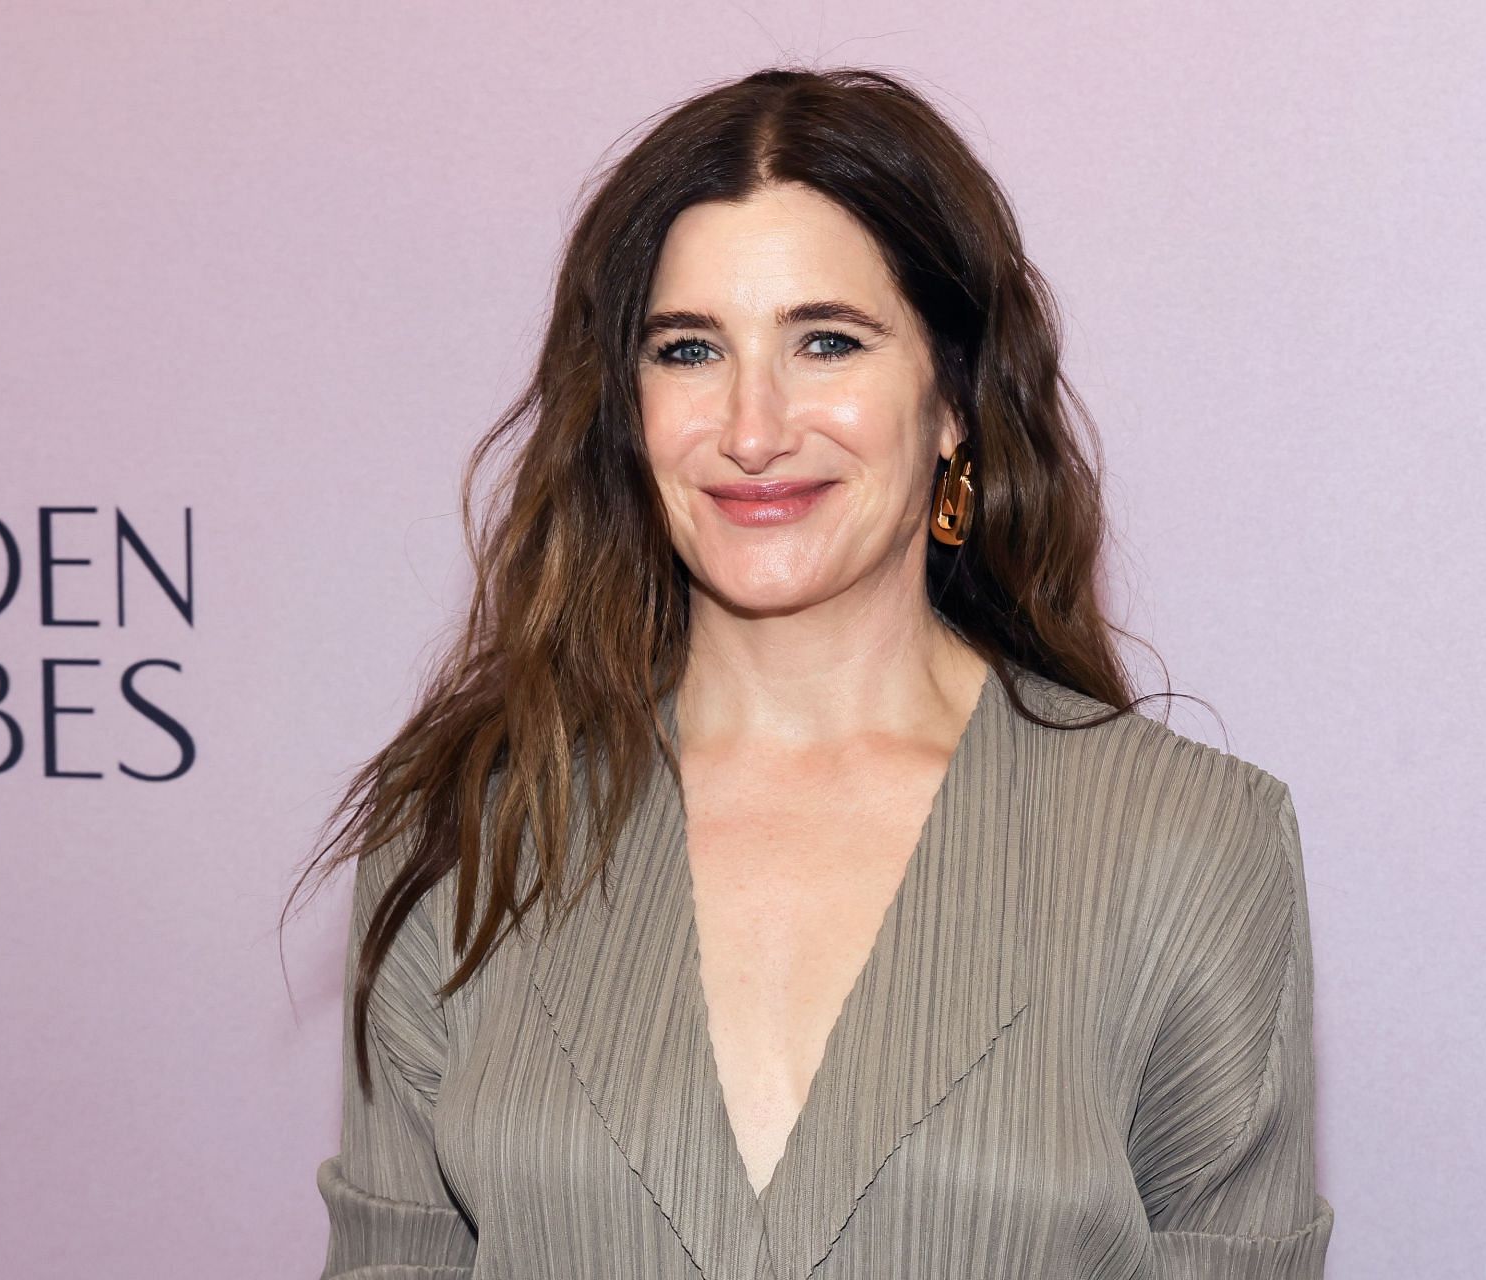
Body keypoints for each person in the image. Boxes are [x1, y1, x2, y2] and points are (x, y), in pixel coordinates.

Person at [294, 64, 1333, 1280]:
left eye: (826, 341)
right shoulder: (476, 827)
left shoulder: (1190, 840)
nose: (751, 426)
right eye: (688, 349)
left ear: (953, 397)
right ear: (626, 407)